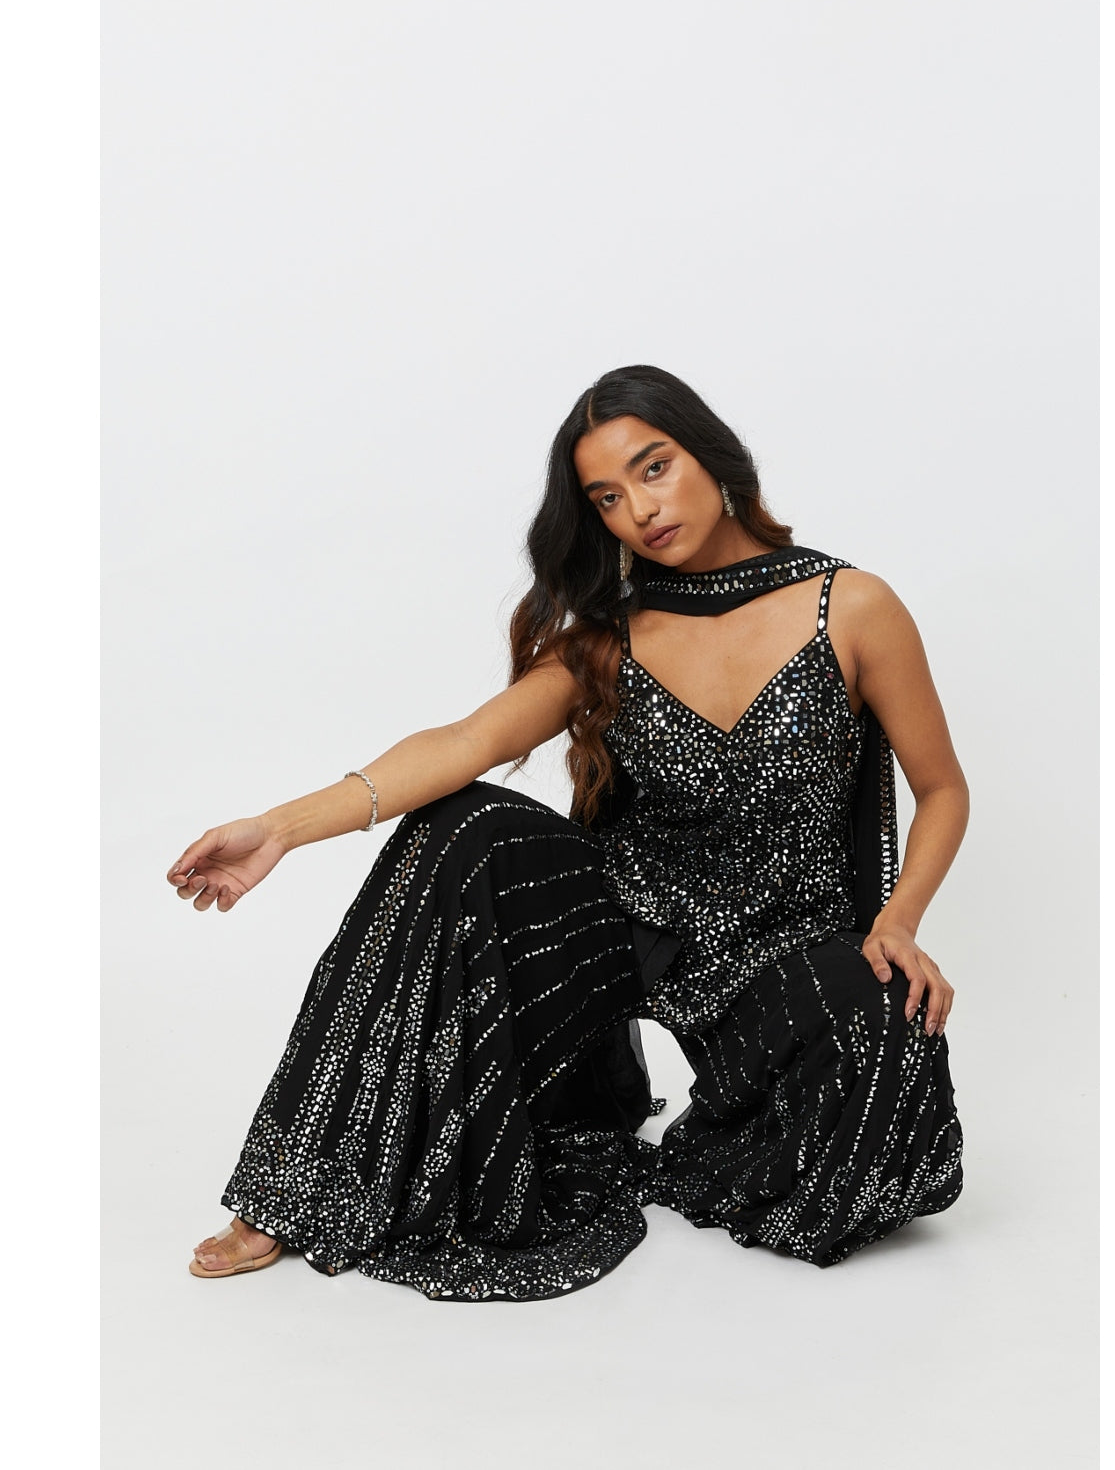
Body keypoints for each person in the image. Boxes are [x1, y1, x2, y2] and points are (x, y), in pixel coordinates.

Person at [170, 364, 968, 1301]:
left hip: (781, 945)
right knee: (466, 823)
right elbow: (465, 744)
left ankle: (716, 1142)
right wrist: (280, 828)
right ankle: (298, 1183)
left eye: (654, 468)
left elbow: (941, 789)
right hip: (630, 926)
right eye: (608, 497)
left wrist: (899, 921)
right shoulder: (607, 639)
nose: (641, 508)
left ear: (712, 456)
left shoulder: (853, 606)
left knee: (884, 1038)